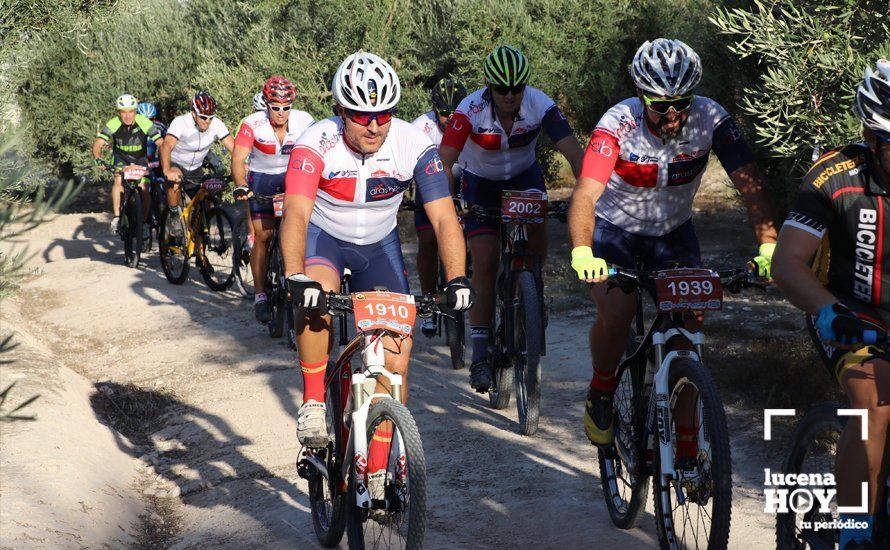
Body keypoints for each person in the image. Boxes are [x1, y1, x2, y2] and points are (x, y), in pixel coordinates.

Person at [567, 38, 779, 450]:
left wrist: (768, 245)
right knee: (618, 306)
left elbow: (752, 187)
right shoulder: (617, 125)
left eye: (680, 103)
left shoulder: (711, 118)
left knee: (688, 329)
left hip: (673, 232)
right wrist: (581, 250)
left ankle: (687, 450)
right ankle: (602, 389)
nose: (671, 114)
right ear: (640, 96)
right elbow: (585, 195)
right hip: (616, 230)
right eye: (659, 104)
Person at [279, 51, 473, 462]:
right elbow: (296, 213)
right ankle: (314, 401)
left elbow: (443, 219)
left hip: (378, 248)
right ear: (339, 111)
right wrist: (296, 275)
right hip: (325, 238)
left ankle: (380, 468)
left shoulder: (415, 145)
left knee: (396, 355)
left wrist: (456, 279)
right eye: (361, 115)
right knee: (317, 300)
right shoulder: (315, 143)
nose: (373, 125)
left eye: (384, 115)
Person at [773, 59, 890, 550]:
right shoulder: (835, 176)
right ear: (873, 136)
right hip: (848, 311)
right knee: (876, 402)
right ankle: (854, 534)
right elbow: (787, 264)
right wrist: (826, 310)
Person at [439, 45, 584, 391]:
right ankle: (479, 356)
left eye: (516, 88)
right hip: (480, 184)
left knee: (538, 236)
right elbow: (445, 160)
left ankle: (533, 293)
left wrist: (585, 196)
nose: (509, 95)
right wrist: (448, 201)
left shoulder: (540, 104)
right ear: (489, 86)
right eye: (501, 88)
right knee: (486, 262)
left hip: (523, 177)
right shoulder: (470, 108)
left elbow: (575, 154)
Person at [231, 75, 315, 324]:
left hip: (293, 179)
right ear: (266, 104)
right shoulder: (253, 124)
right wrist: (241, 185)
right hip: (262, 181)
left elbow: (319, 153)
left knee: (301, 229)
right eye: (275, 107)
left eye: (286, 108)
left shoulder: (305, 121)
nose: (280, 113)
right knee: (263, 236)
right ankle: (260, 295)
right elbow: (238, 159)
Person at [411, 76, 468, 336]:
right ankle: (428, 301)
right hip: (431, 186)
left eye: (455, 113)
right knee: (428, 241)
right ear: (435, 111)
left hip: (466, 180)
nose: (450, 119)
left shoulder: (472, 122)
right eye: (444, 113)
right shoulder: (420, 128)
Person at [92, 93, 163, 236]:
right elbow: (98, 143)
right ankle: (117, 217)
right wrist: (97, 159)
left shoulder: (143, 121)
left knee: (144, 187)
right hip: (120, 158)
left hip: (140, 159)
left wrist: (163, 160)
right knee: (118, 180)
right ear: (119, 112)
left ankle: (142, 223)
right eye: (123, 112)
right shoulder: (113, 123)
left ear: (136, 111)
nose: (127, 116)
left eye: (131, 111)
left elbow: (160, 143)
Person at [160, 91, 234, 213]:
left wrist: (243, 164)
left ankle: (201, 228)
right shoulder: (181, 122)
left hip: (196, 167)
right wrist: (167, 170)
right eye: (203, 117)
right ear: (193, 113)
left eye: (210, 118)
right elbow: (166, 146)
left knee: (204, 203)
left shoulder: (217, 124)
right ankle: (174, 216)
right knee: (174, 183)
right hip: (176, 163)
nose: (207, 121)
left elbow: (235, 147)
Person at [137, 101, 167, 171]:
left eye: (150, 119)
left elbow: (168, 143)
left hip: (155, 161)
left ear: (154, 118)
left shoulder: (159, 127)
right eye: (144, 119)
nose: (147, 122)